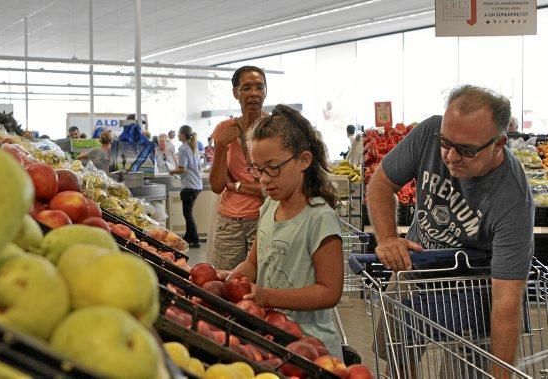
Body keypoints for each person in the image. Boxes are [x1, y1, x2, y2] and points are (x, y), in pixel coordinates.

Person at [367, 84, 534, 377]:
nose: (450, 156)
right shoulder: (428, 133)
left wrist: (501, 375)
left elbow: (506, 301)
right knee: (394, 351)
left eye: (467, 150)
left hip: (473, 293)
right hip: (415, 270)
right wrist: (388, 238)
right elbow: (381, 184)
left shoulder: (512, 199)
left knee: (463, 371)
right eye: (445, 142)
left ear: (499, 143)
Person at [224, 104, 344, 357]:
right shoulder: (269, 206)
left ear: (303, 160)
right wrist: (228, 281)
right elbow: (253, 264)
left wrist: (267, 296)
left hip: (311, 349)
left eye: (273, 167)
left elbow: (329, 291)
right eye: (257, 169)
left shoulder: (320, 218)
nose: (264, 179)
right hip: (274, 337)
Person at [209, 65, 269, 270]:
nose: (254, 93)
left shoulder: (275, 128)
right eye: (246, 88)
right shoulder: (224, 129)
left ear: (266, 91)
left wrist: (236, 185)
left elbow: (270, 189)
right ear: (236, 93)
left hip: (265, 219)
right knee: (224, 282)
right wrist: (220, 147)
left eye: (259, 87)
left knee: (263, 283)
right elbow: (217, 185)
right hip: (230, 222)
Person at [170, 125, 203, 248]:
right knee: (188, 213)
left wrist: (172, 171)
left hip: (189, 185)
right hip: (196, 184)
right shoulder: (192, 147)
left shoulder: (183, 149)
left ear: (183, 134)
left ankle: (194, 239)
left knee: (187, 214)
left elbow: (182, 169)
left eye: (179, 133)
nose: (177, 135)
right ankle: (188, 237)